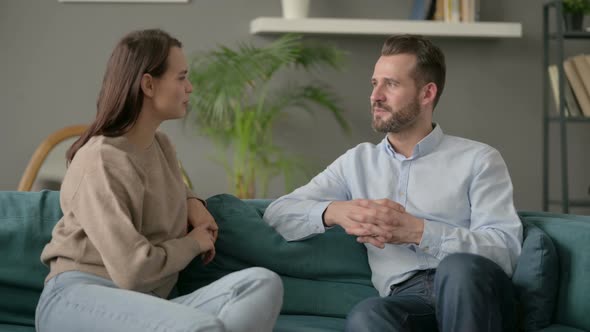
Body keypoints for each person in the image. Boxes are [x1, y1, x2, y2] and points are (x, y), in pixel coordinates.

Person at [263, 34, 522, 332]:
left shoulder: (479, 160)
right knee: (368, 315)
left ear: (427, 94)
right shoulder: (356, 163)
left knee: (458, 268)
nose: (376, 95)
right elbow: (278, 214)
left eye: (392, 84)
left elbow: (506, 251)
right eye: (375, 83)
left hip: (475, 292)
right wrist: (334, 212)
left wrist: (419, 231)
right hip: (408, 299)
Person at [36, 29, 283, 332]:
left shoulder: (161, 147)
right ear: (148, 85)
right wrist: (192, 243)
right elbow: (133, 271)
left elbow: (161, 184)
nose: (190, 88)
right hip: (82, 296)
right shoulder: (100, 159)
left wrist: (192, 201)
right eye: (181, 77)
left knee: (262, 283)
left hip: (151, 304)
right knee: (201, 328)